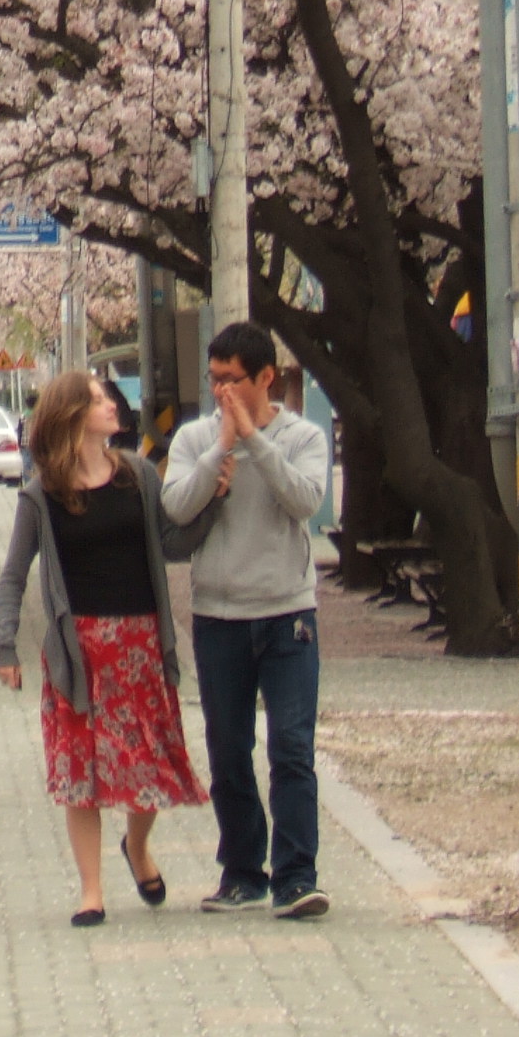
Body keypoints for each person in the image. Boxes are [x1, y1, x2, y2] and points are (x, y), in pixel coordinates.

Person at [0, 369, 211, 925]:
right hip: (78, 654)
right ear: (72, 417)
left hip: (139, 645)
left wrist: (212, 500)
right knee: (80, 776)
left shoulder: (137, 474)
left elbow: (170, 544)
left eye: (109, 399)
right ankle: (92, 891)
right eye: (98, 401)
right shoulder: (42, 494)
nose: (113, 406)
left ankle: (137, 847)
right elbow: (14, 575)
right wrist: (4, 646)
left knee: (147, 772)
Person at [163, 321, 334, 919]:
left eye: (231, 380)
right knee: (229, 748)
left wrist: (253, 441)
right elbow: (175, 508)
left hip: (289, 613)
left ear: (264, 377)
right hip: (218, 614)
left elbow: (305, 501)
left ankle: (295, 875)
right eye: (213, 381)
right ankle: (242, 871)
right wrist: (220, 451)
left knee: (290, 745)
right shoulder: (193, 439)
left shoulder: (303, 436)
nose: (220, 393)